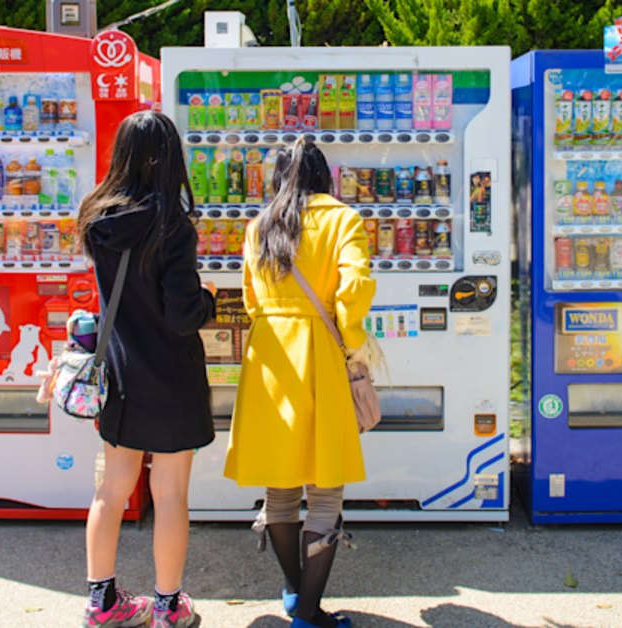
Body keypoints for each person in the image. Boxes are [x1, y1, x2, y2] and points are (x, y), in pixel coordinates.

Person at [224, 138, 377, 628]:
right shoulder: (342, 219)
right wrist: (355, 343)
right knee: (326, 488)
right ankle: (309, 614)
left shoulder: (259, 224)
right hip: (319, 355)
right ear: (323, 175)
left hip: (269, 355)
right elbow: (354, 289)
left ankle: (296, 594)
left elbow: (251, 298)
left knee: (281, 485)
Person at [77, 111, 216, 628]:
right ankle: (167, 607)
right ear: (170, 159)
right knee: (171, 492)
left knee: (111, 490)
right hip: (172, 377)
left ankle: (101, 603)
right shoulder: (172, 225)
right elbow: (182, 315)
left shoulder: (96, 218)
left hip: (119, 377)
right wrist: (207, 300)